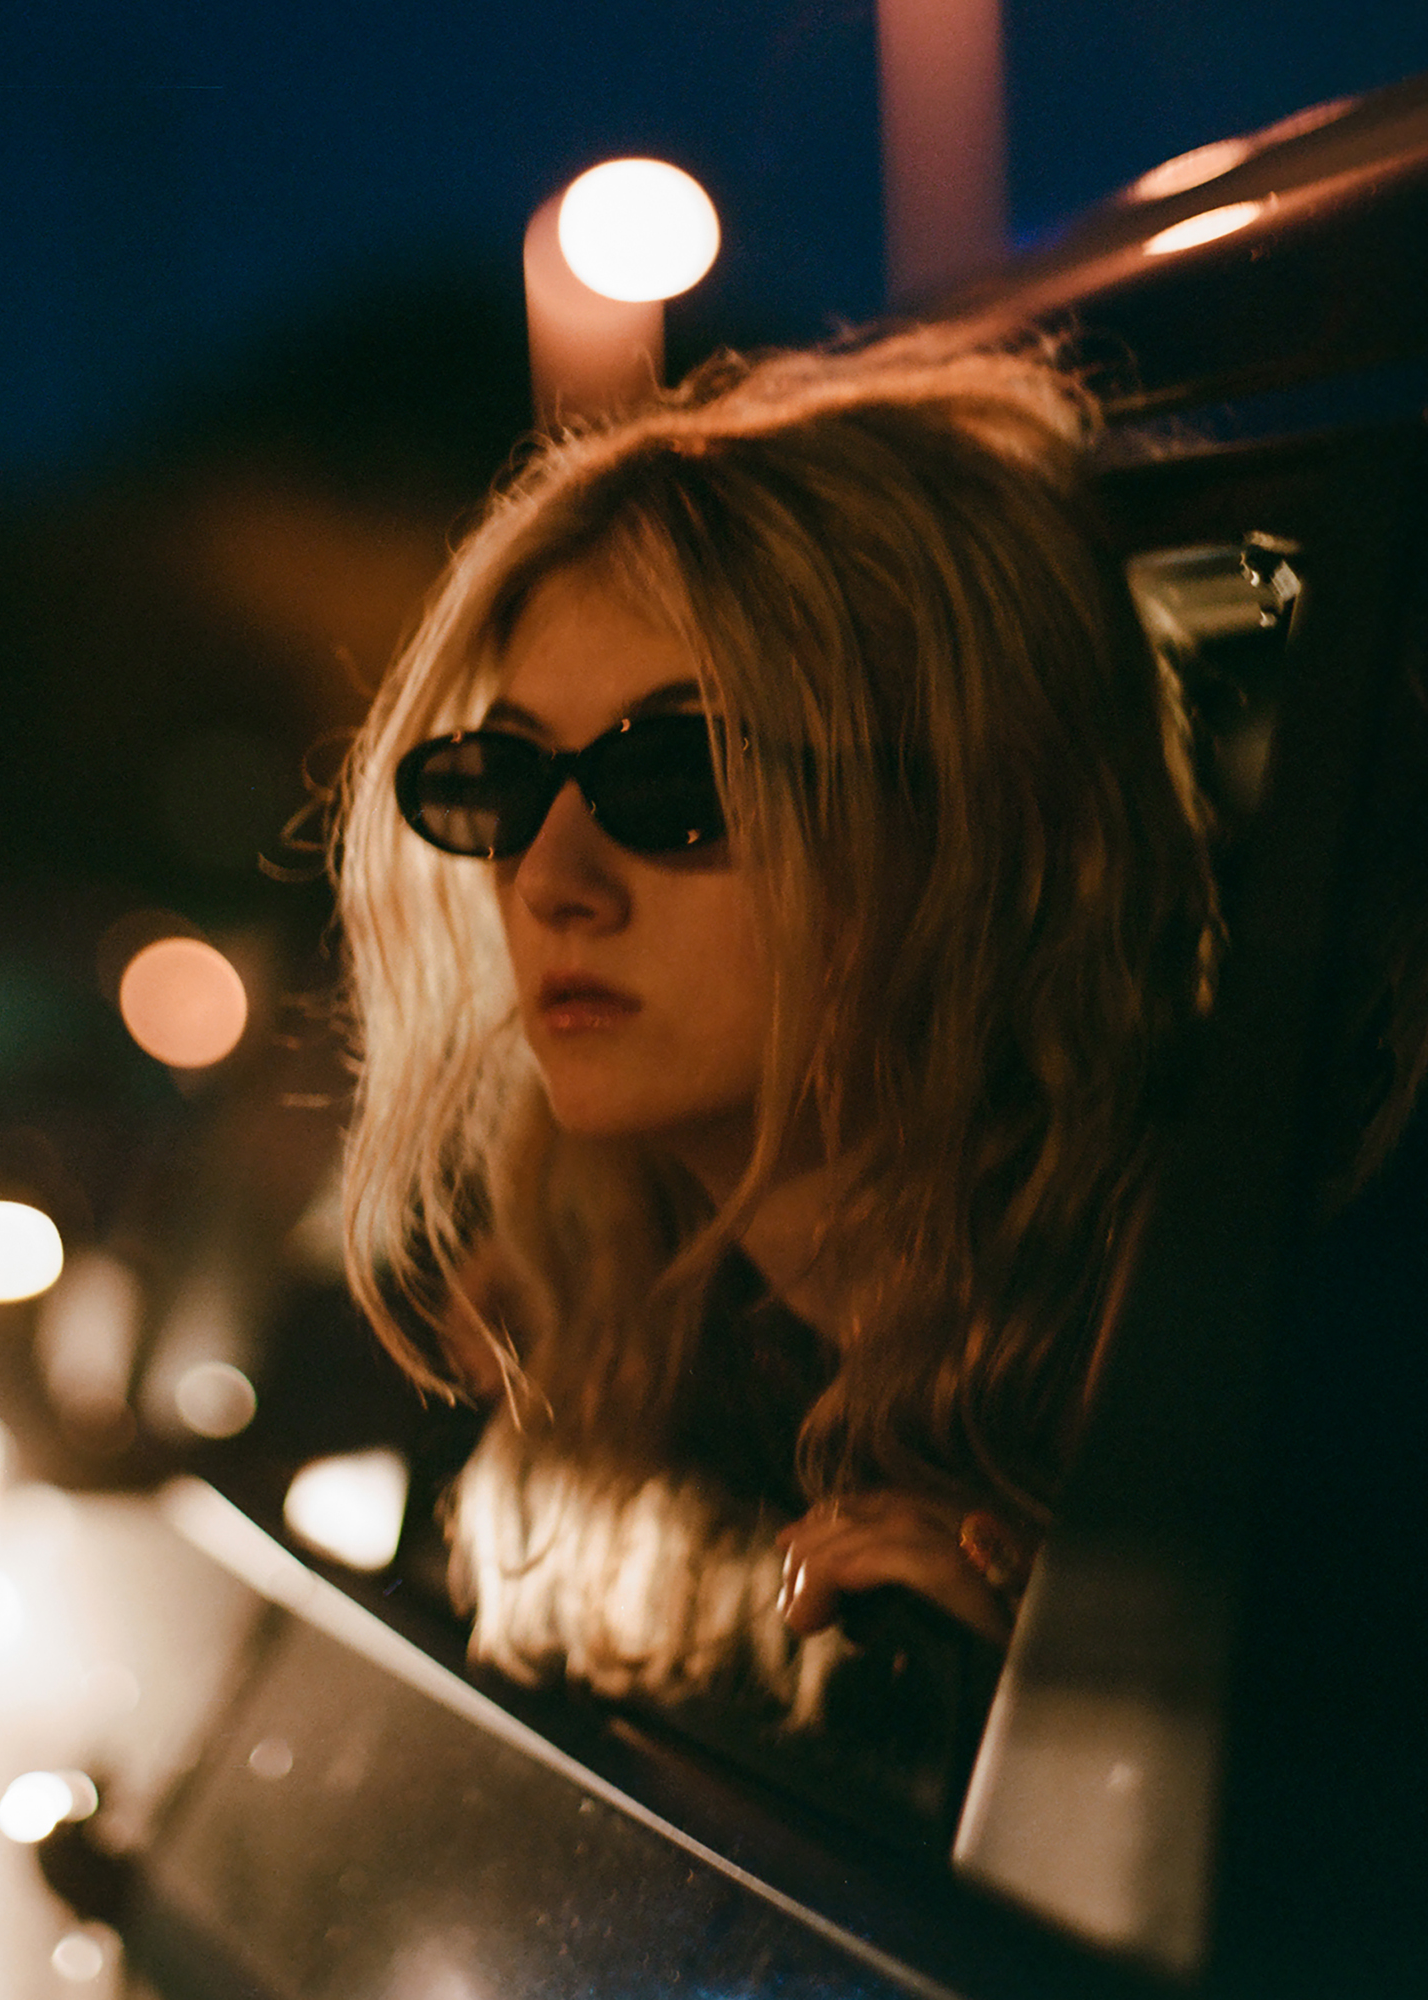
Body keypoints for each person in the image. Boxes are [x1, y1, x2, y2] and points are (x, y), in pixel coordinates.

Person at [331, 333, 1218, 1737]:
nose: (550, 880)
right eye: (501, 782)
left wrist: (1041, 1712)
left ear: (970, 826)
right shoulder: (582, 1345)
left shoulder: (1235, 1382)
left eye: (679, 774)